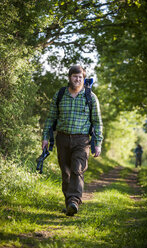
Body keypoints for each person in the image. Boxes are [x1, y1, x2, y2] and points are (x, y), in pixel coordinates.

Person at [42, 65, 103, 216]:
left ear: (83, 78)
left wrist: (98, 143)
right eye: (74, 76)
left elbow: (97, 121)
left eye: (80, 77)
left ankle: (74, 201)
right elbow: (51, 117)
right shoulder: (60, 94)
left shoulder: (90, 97)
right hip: (62, 138)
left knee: (77, 169)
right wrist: (45, 137)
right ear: (69, 77)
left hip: (82, 140)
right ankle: (69, 204)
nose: (77, 79)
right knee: (66, 172)